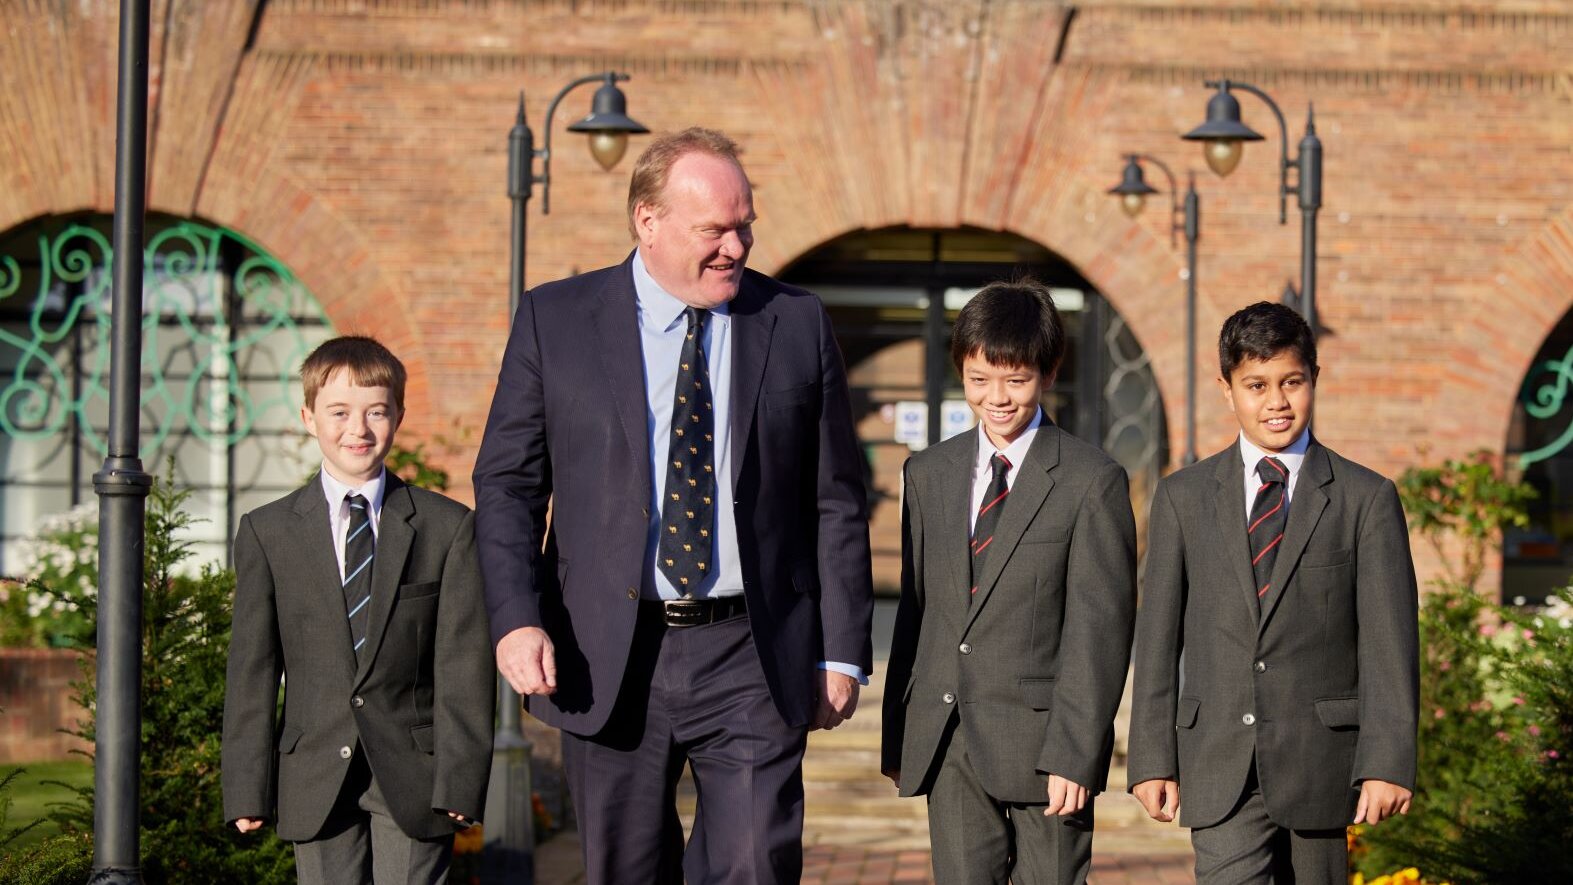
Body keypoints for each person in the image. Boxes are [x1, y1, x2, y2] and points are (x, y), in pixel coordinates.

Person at [472, 126, 874, 884]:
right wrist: (517, 616)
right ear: (647, 222)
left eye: (744, 225)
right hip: (605, 651)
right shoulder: (554, 321)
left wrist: (843, 648)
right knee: (626, 868)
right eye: (712, 229)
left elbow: (834, 499)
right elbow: (508, 485)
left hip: (750, 649)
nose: (735, 246)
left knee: (754, 863)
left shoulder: (794, 322)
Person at [1127, 301, 1419, 884]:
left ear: (1315, 378)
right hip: (1217, 763)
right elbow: (1157, 640)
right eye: (1256, 385)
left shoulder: (1366, 499)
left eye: (1292, 382)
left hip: (1323, 765)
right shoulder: (1183, 499)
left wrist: (1388, 763)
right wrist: (1151, 758)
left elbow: (1390, 643)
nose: (1277, 402)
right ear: (1227, 390)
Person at [880, 279, 1138, 884]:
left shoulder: (1090, 481)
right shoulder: (928, 474)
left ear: (1048, 373)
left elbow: (1099, 632)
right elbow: (918, 613)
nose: (996, 398)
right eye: (978, 380)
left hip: (1047, 749)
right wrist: (901, 735)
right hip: (947, 742)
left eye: (1015, 380)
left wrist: (1077, 752)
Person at [222, 336, 495, 884]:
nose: (358, 429)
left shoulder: (446, 528)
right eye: (339, 412)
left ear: (398, 415)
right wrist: (247, 786)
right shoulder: (268, 531)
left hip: (416, 775)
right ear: (308, 417)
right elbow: (252, 668)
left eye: (376, 412)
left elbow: (462, 664)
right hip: (315, 770)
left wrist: (461, 780)